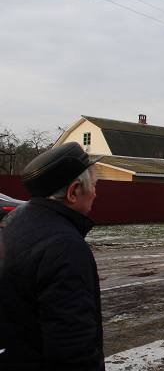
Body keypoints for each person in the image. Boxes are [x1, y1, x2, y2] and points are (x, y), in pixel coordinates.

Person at [0, 142, 105, 370]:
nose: (96, 193)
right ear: (74, 192)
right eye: (94, 185)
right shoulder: (65, 247)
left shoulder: (14, 223)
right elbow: (73, 350)